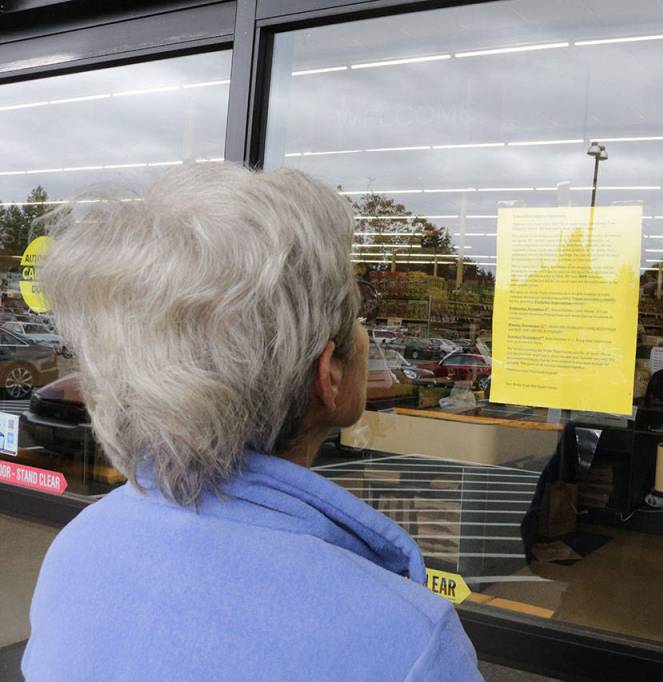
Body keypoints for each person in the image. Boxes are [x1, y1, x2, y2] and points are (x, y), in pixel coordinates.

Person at [22, 164, 482, 681]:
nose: (366, 335)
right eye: (357, 313)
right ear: (327, 373)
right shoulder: (410, 640)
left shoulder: (81, 547)